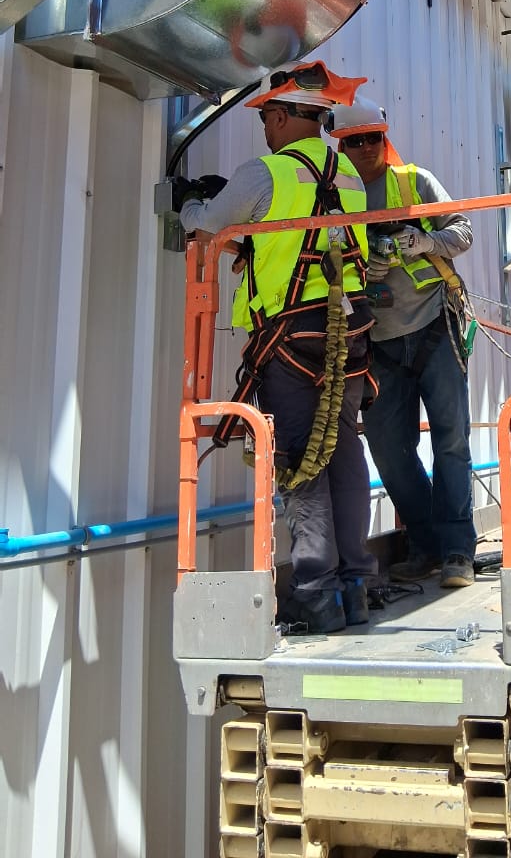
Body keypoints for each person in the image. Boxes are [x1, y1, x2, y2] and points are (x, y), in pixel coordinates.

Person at [173, 61, 377, 635]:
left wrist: (190, 205)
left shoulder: (265, 173)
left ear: (285, 116)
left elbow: (209, 224)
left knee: (299, 460)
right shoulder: (351, 178)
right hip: (349, 334)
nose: (265, 129)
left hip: (294, 338)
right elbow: (302, 232)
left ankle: (314, 592)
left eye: (267, 118)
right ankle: (355, 585)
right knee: (341, 451)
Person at [328, 96, 477, 589]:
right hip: (379, 338)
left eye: (371, 138)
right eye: (353, 141)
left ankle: (457, 551)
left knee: (451, 440)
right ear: (340, 144)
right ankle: (426, 542)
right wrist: (354, 270)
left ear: (383, 138)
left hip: (434, 325)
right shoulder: (335, 196)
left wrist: (427, 242)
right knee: (390, 450)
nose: (364, 148)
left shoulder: (414, 181)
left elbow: (464, 229)